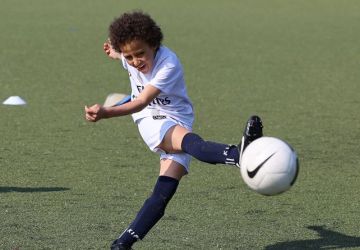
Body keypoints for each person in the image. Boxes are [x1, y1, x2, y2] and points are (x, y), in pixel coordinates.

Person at [84, 10, 263, 250]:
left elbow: (141, 99)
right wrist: (116, 54)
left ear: (154, 45)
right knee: (193, 143)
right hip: (150, 119)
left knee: (162, 194)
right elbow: (141, 105)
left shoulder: (168, 63)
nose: (136, 61)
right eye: (129, 56)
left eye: (140, 54)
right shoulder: (129, 57)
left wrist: (107, 112)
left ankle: (122, 243)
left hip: (173, 116)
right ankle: (239, 155)